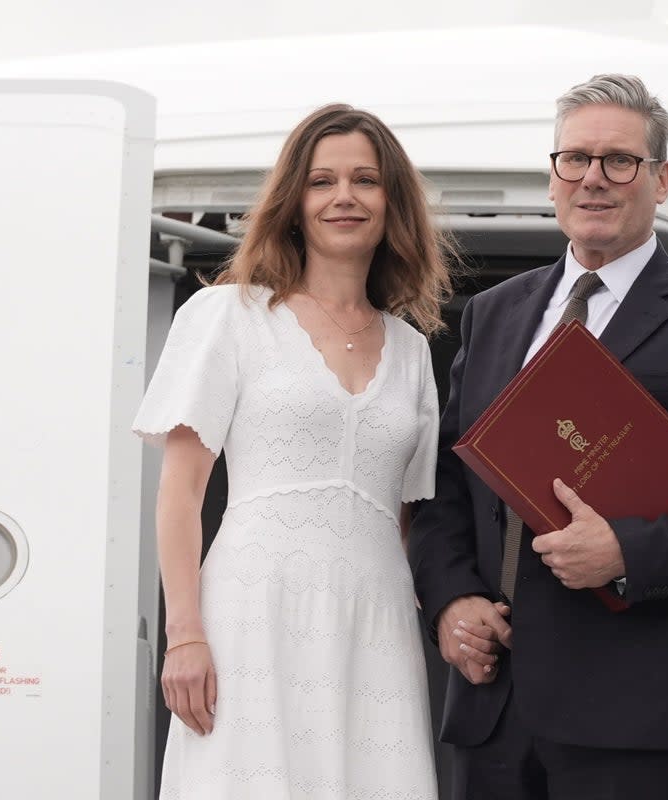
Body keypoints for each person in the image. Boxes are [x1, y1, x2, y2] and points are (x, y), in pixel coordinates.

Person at [408, 74, 668, 799]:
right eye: (575, 160)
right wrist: (453, 599)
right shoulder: (493, 314)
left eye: (620, 161)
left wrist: (625, 552)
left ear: (660, 179)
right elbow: (445, 487)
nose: (594, 179)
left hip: (640, 715)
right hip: (494, 710)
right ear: (552, 178)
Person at [133, 103, 455, 799]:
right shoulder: (228, 316)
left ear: (391, 202)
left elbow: (411, 523)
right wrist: (184, 635)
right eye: (322, 181)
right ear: (294, 201)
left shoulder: (412, 353)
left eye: (365, 180)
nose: (344, 197)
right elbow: (181, 493)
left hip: (375, 624)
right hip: (252, 614)